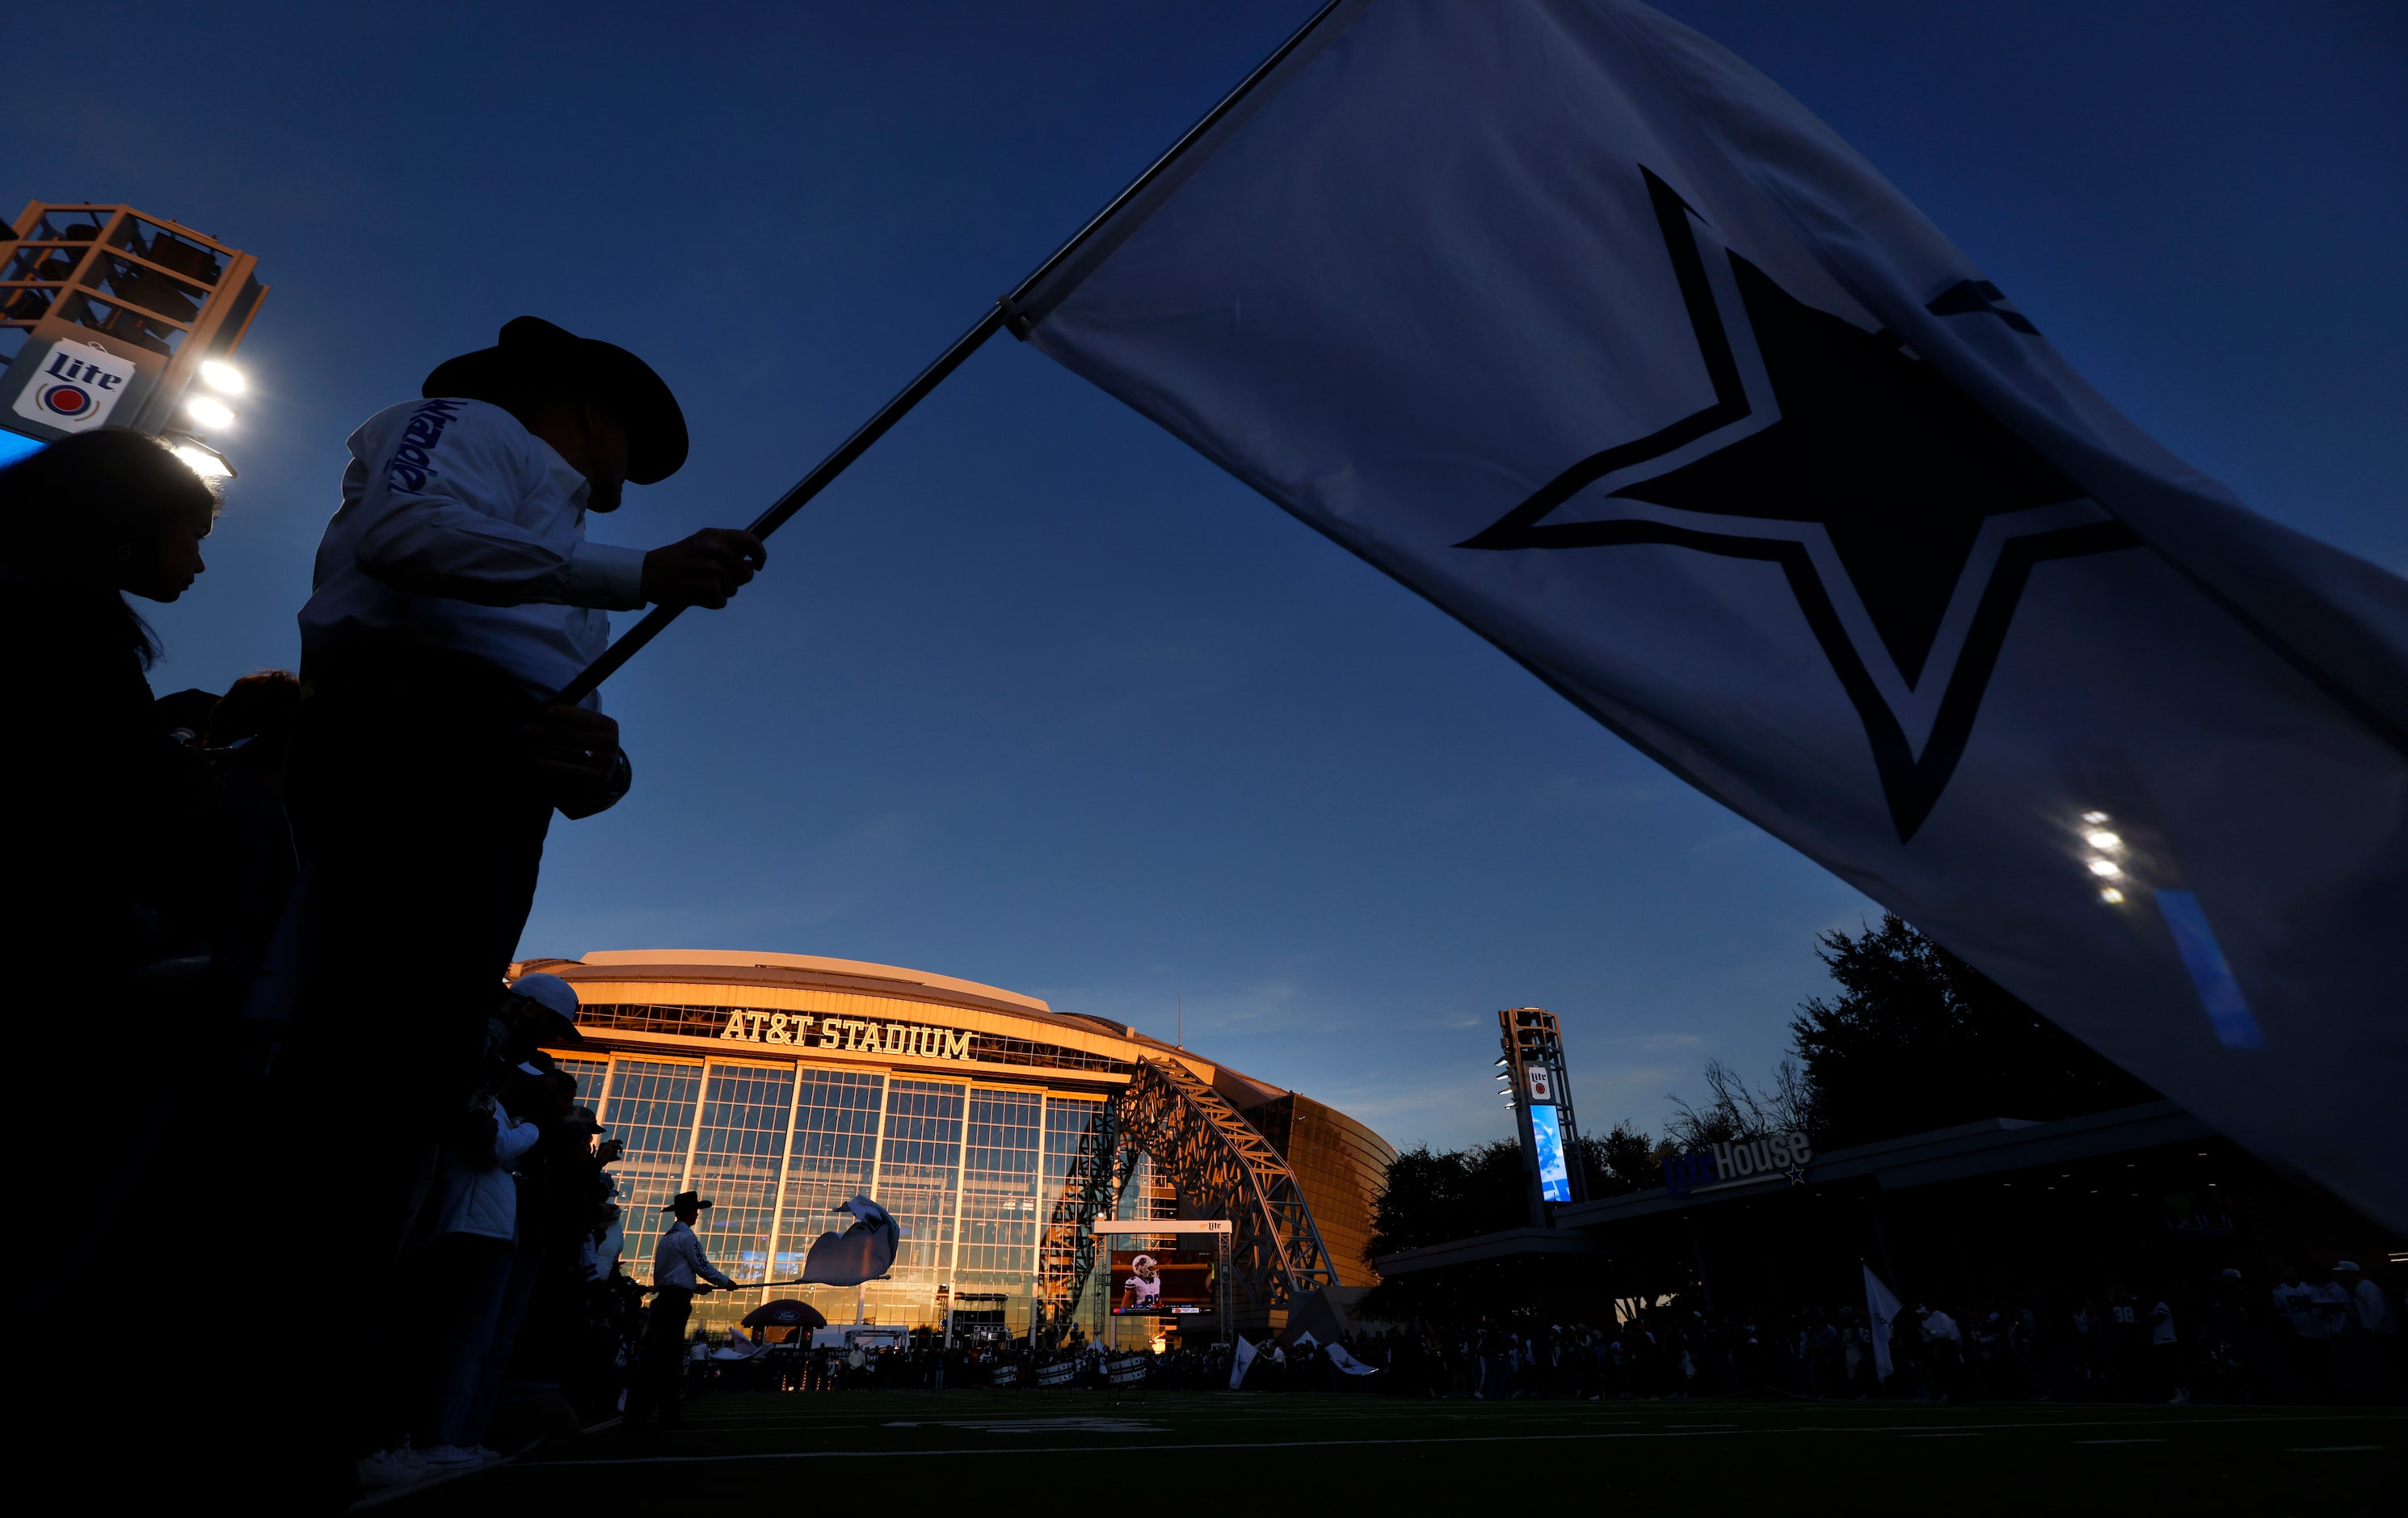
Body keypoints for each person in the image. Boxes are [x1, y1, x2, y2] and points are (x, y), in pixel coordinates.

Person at [267, 317, 764, 1478]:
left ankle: (328, 1422)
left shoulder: (553, 532)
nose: (620, 472)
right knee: (360, 1072)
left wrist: (599, 768)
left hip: (484, 776)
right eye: (622, 437)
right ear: (579, 400)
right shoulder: (466, 428)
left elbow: (550, 691)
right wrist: (639, 574)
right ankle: (272, 1414)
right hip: (408, 741)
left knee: (405, 1077)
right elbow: (400, 533)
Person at [2, 428, 221, 1466]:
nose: (201, 560)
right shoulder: (61, 632)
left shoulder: (69, 626)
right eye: (192, 533)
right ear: (126, 531)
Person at [626, 1191, 735, 1431]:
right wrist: (725, 1282)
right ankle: (668, 1417)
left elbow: (671, 1275)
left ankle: (638, 1415)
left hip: (664, 1300)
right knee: (669, 1360)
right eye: (695, 1210)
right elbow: (701, 1265)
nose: (697, 1214)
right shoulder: (687, 1237)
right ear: (689, 1212)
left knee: (654, 1360)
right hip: (675, 1304)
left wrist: (694, 1286)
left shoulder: (667, 1237)